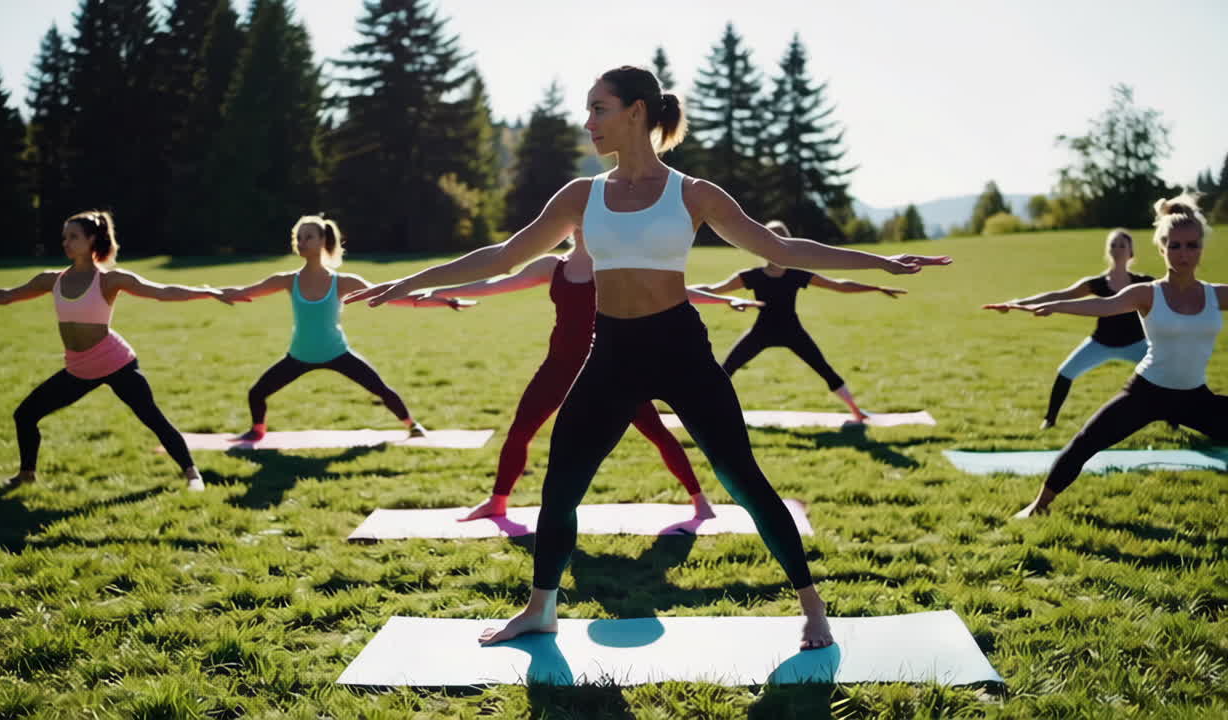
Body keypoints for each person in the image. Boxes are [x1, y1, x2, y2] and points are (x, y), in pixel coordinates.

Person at [344, 66, 949, 649]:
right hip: (611, 351)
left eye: (599, 109)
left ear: (637, 113)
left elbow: (778, 246)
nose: (588, 123)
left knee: (745, 482)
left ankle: (812, 603)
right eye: (587, 111)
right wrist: (414, 282)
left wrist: (880, 261)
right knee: (560, 488)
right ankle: (540, 609)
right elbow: (503, 255)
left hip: (680, 348)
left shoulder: (693, 194)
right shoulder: (583, 195)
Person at [417, 228, 761, 522]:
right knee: (521, 428)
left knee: (655, 431)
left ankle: (700, 501)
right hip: (560, 366)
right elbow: (498, 284)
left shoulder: (614, 266)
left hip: (611, 365)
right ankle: (498, 502)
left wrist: (723, 301)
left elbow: (673, 293)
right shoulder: (552, 265)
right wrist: (444, 290)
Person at [0, 210, 232, 491]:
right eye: (64, 237)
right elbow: (8, 296)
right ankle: (26, 475)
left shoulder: (109, 280)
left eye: (73, 237)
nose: (66, 242)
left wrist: (207, 291)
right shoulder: (52, 279)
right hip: (79, 369)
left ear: (91, 239)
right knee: (25, 415)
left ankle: (193, 474)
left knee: (152, 417)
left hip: (116, 362)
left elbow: (162, 291)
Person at [986, 194, 1225, 518]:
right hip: (1146, 392)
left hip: (1194, 396)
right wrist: (1052, 306)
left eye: (1192, 245)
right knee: (1087, 441)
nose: (1184, 254)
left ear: (1201, 248)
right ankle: (1038, 506)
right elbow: (1103, 305)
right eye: (1175, 246)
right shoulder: (1147, 292)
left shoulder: (1217, 294)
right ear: (1162, 248)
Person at [218, 215, 467, 442]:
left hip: (336, 352)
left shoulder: (343, 282)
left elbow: (392, 296)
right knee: (256, 393)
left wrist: (443, 300)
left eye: (309, 237)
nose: (302, 242)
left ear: (322, 240)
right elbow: (245, 293)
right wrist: (210, 293)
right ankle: (257, 431)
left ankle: (412, 425)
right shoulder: (286, 279)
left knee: (381, 389)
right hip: (299, 355)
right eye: (298, 238)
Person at [695, 219, 906, 423]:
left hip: (792, 332)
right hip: (762, 332)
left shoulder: (796, 274)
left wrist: (877, 288)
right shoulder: (752, 276)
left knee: (824, 369)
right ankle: (705, 412)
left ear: (787, 243)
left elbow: (837, 285)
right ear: (760, 246)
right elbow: (713, 290)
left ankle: (857, 412)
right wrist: (676, 291)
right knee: (725, 370)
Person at [984, 229, 1153, 428]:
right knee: (1065, 372)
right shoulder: (1096, 283)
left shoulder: (1144, 282)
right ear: (1108, 251)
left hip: (1136, 344)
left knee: (1166, 373)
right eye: (1112, 245)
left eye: (1121, 245)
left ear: (1131, 252)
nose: (1116, 249)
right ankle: (1050, 420)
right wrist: (1015, 303)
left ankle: (1173, 419)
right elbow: (1057, 296)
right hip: (1101, 343)